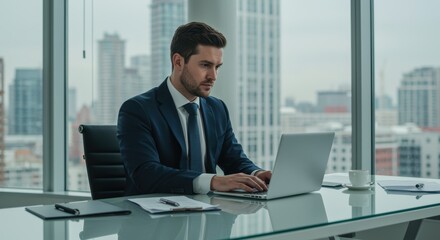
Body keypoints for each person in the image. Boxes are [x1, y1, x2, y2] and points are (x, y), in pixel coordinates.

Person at [117, 22, 271, 195]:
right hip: (155, 218)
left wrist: (257, 174)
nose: (213, 76)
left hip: (209, 215)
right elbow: (146, 174)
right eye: (205, 65)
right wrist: (212, 181)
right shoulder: (138, 110)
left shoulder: (217, 108)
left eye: (217, 67)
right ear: (178, 62)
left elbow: (234, 159)